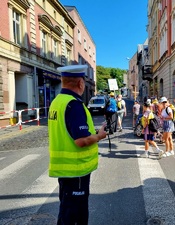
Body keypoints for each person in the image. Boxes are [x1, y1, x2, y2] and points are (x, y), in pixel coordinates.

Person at [48, 65, 107, 225]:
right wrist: (100, 135)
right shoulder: (74, 104)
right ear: (81, 83)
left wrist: (92, 132)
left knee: (67, 211)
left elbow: (69, 130)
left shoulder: (57, 102)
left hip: (65, 170)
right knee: (75, 217)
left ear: (63, 81)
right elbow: (81, 140)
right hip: (76, 170)